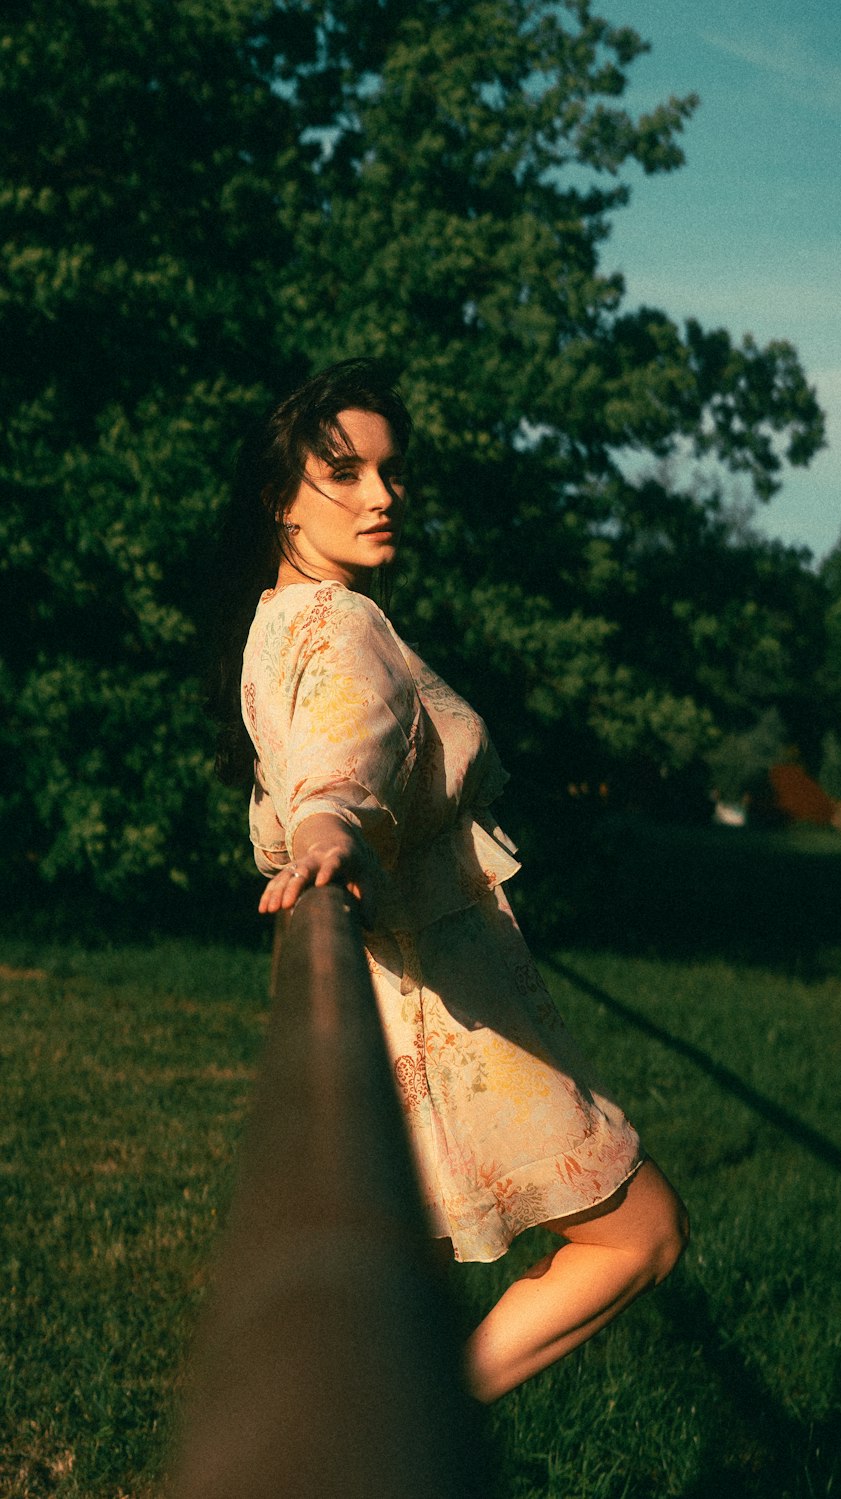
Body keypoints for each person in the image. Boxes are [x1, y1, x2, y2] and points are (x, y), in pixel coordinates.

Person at [213, 358, 688, 1403]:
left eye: (391, 470)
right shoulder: (341, 625)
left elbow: (321, 768)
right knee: (643, 1234)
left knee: (390, 1308)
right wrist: (329, 827)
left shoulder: (274, 624)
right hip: (450, 1015)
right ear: (277, 494)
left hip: (392, 994)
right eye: (345, 471)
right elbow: (345, 757)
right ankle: (420, 1434)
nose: (383, 496)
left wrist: (323, 823)